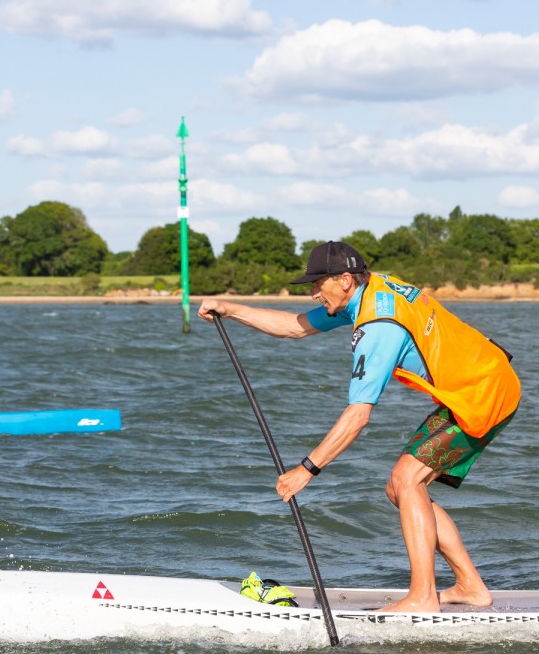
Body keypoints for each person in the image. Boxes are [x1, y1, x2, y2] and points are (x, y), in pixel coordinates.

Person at [198, 241, 521, 613]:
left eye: (319, 284)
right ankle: (470, 586)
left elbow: (358, 415)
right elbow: (293, 326)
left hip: (485, 393)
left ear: (346, 280)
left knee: (407, 480)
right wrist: (231, 308)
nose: (314, 293)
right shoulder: (371, 290)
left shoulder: (379, 326)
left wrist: (306, 470)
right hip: (480, 383)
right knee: (399, 488)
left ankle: (421, 598)